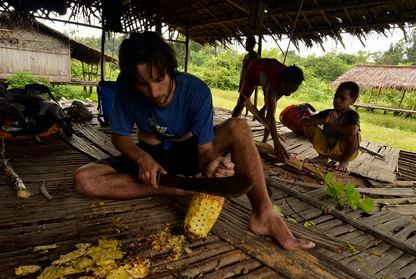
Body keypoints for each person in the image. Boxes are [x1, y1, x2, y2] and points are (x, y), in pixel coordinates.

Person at [73, 31, 314, 251]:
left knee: (239, 127)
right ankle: (178, 187)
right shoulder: (125, 89)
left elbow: (205, 150)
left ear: (170, 68)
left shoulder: (196, 91)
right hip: (151, 158)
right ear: (132, 80)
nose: (155, 92)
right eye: (143, 84)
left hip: (189, 153)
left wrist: (212, 162)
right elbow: (119, 136)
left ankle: (264, 214)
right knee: (85, 180)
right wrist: (142, 159)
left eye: (159, 79)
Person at [232, 58, 304, 161]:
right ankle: (231, 128)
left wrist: (264, 107)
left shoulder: (289, 78)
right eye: (287, 90)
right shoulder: (272, 82)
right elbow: (271, 116)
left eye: (292, 91)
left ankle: (264, 141)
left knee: (270, 108)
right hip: (253, 72)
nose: (288, 94)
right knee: (241, 101)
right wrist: (277, 142)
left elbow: (275, 101)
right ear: (282, 83)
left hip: (269, 72)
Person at [299, 81, 361, 172]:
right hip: (327, 149)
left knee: (354, 135)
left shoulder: (352, 115)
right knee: (308, 125)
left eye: (342, 98)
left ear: (353, 101)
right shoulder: (327, 112)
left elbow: (353, 131)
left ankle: (344, 161)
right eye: (336, 96)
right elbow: (302, 122)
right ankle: (323, 157)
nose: (337, 100)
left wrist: (333, 124)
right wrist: (323, 120)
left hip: (342, 153)